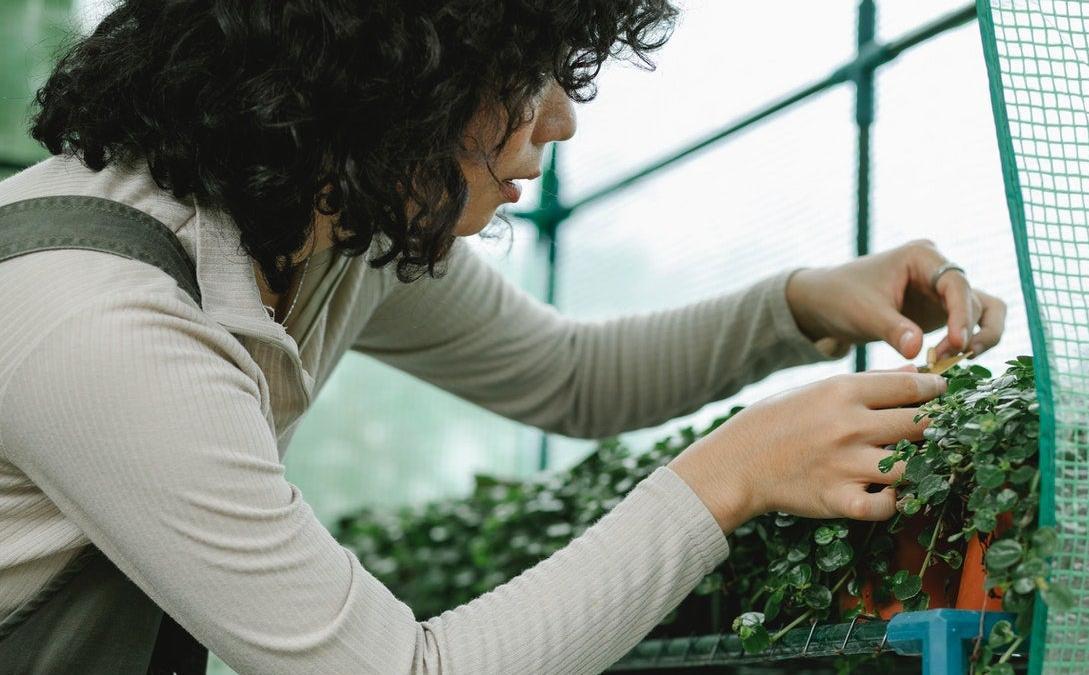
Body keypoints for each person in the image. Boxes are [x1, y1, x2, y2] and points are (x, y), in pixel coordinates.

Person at [0, 1, 1006, 673]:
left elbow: (569, 376)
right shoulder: (102, 323)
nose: (560, 121)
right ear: (378, 74)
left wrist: (802, 304)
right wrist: (729, 478)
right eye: (524, 76)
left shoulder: (317, 223)